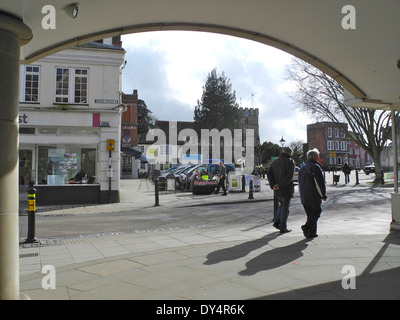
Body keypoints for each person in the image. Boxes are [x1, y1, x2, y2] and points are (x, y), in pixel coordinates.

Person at [298, 148, 327, 239]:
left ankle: (311, 233)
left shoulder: (302, 167)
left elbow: (300, 183)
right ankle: (306, 227)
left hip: (304, 195)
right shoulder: (315, 167)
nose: (319, 157)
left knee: (310, 214)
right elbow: (319, 183)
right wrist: (323, 195)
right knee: (317, 211)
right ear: (314, 156)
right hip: (314, 195)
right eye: (318, 155)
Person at [267, 147, 295, 234]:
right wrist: (280, 185)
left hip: (276, 189)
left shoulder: (275, 161)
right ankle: (283, 227)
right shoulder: (291, 161)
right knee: (285, 208)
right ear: (290, 153)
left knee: (282, 206)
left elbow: (269, 174)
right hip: (285, 189)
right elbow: (289, 177)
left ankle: (277, 221)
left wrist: (273, 185)